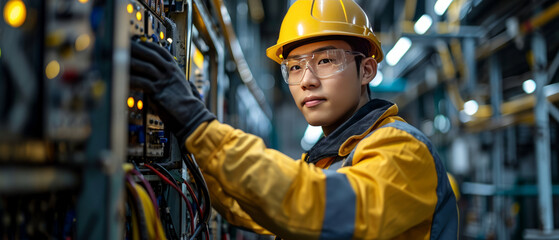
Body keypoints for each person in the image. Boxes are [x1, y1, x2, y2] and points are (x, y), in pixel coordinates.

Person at [130, 0, 458, 239]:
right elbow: (247, 207)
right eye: (295, 66)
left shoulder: (403, 150)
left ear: (367, 70)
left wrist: (200, 126)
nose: (307, 80)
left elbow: (313, 205)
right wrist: (187, 135)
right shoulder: (330, 159)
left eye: (326, 60)